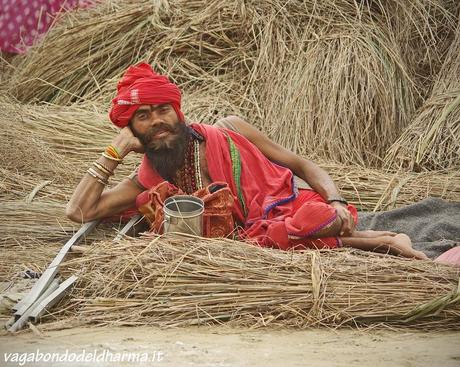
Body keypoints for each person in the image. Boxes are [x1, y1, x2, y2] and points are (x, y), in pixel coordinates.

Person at [66, 62, 428, 260]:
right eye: (143, 116)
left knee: (320, 218)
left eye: (163, 110)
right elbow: (79, 212)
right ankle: (388, 242)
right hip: (257, 237)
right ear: (132, 130)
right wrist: (112, 153)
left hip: (290, 206)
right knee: (258, 240)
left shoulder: (228, 130)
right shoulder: (148, 178)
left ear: (178, 113)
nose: (157, 120)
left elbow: (301, 164)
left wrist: (334, 199)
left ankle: (384, 239)